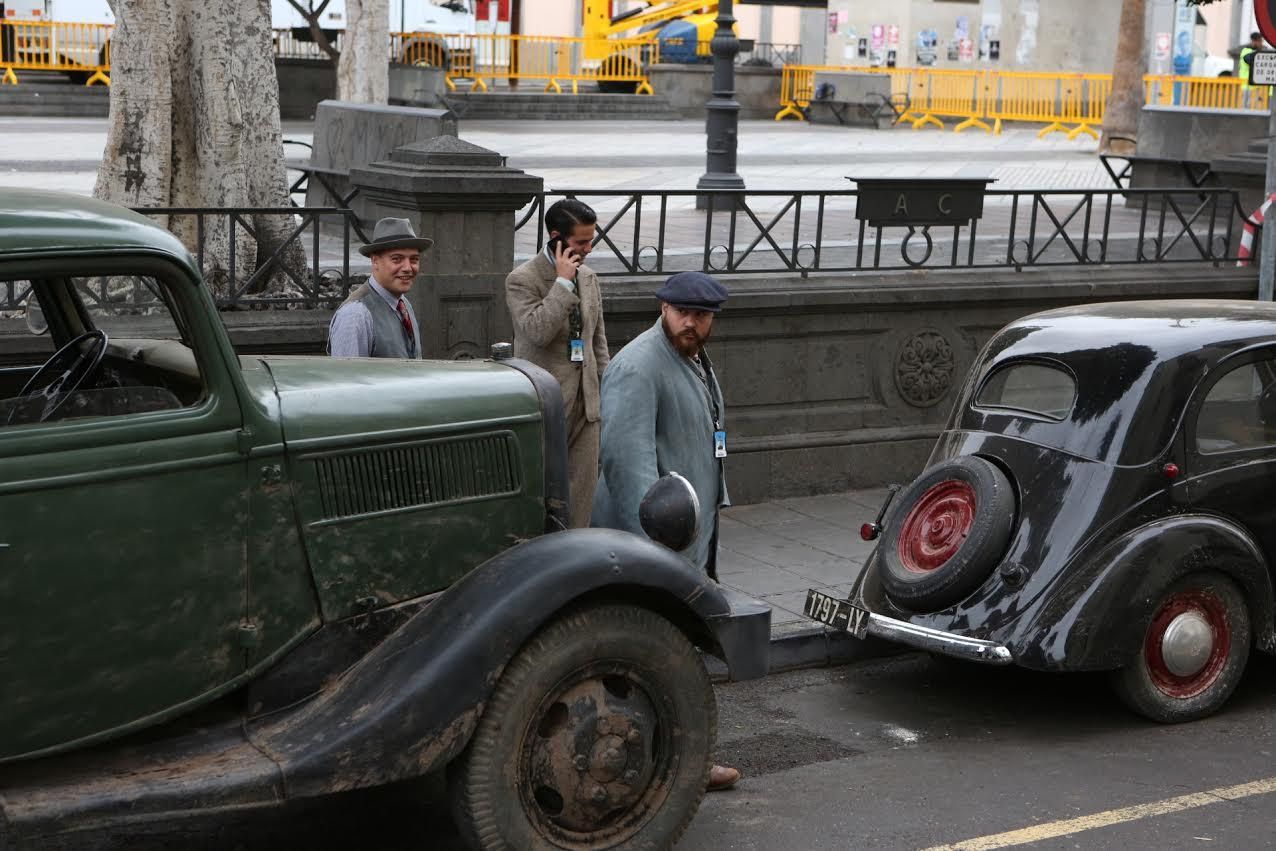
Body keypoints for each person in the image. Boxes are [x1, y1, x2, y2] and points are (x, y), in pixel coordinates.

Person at [590, 270, 739, 792]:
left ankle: (676, 760)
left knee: (674, 656)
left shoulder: (693, 356)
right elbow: (626, 465)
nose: (692, 323)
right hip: (656, 546)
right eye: (683, 313)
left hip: (690, 537)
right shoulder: (638, 365)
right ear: (663, 307)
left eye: (702, 315)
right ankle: (673, 766)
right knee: (657, 658)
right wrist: (655, 556)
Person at [505, 199, 609, 529]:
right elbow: (537, 331)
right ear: (556, 237)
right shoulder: (523, 279)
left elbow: (598, 343)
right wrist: (562, 284)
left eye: (592, 240)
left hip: (586, 407)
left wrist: (606, 391)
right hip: (546, 407)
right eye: (581, 241)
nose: (588, 248)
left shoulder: (590, 277)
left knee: (581, 497)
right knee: (542, 497)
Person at [329, 217, 432, 359]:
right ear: (375, 261)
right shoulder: (356, 315)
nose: (408, 268)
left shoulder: (404, 304)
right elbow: (347, 378)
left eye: (414, 259)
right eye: (397, 259)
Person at [1240, 31, 1267, 108]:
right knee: (1247, 109)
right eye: (1260, 41)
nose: (1261, 43)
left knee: (1256, 109)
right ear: (1254, 41)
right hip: (1247, 86)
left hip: (1256, 86)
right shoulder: (1246, 51)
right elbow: (1253, 61)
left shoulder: (1256, 52)